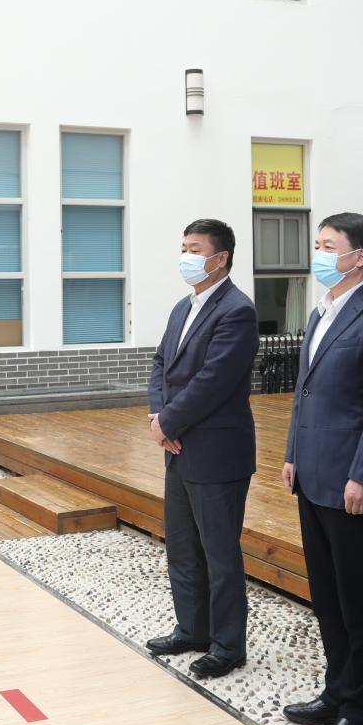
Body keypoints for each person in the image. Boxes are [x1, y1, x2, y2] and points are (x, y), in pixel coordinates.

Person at [279, 213, 363, 725]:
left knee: (358, 603)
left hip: (351, 482)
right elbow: (303, 391)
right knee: (328, 598)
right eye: (318, 244)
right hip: (312, 476)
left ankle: (360, 713)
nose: (319, 254)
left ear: (360, 257)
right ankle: (335, 692)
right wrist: (292, 453)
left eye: (329, 246)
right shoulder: (321, 311)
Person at [146, 219, 261, 680]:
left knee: (219, 554)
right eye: (184, 248)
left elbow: (214, 380)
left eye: (195, 249)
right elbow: (161, 363)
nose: (186, 257)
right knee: (182, 547)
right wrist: (159, 416)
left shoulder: (237, 310)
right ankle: (192, 628)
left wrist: (168, 421)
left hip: (216, 450)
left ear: (220, 258)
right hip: (177, 446)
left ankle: (227, 645)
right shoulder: (183, 307)